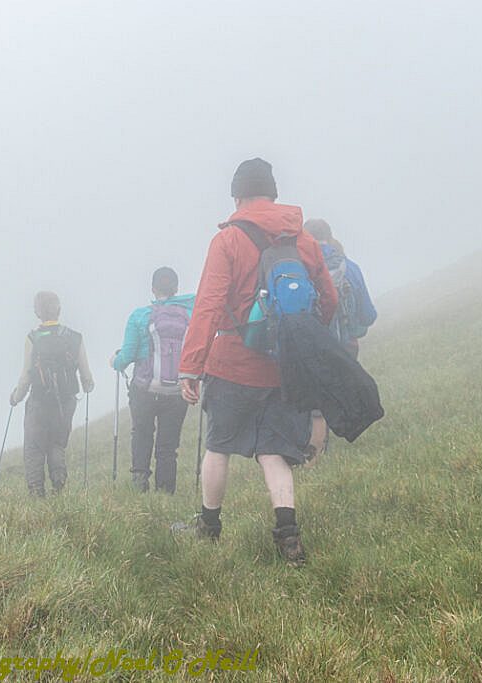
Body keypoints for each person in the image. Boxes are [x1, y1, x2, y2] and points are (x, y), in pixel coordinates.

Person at [173, 158, 337, 567]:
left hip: (232, 363)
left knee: (219, 445)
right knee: (275, 451)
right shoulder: (303, 240)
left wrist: (190, 365)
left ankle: (209, 527)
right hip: (283, 365)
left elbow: (208, 305)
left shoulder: (228, 240)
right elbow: (328, 299)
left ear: (237, 195)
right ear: (274, 194)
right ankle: (288, 537)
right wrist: (301, 343)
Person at [110, 267, 194, 493]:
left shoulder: (140, 316)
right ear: (176, 288)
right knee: (168, 446)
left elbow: (126, 356)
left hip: (144, 390)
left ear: (153, 288)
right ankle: (166, 491)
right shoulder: (191, 314)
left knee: (142, 433)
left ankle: (140, 484)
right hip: (177, 391)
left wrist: (114, 361)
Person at [10, 291, 95, 496]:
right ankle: (59, 486)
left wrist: (15, 397)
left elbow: (26, 376)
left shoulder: (33, 338)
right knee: (57, 443)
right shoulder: (74, 337)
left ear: (37, 312)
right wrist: (87, 386)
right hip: (66, 402)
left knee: (34, 447)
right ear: (59, 309)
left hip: (39, 401)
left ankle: (36, 492)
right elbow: (87, 379)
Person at [303, 219, 377, 360]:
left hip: (313, 349)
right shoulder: (350, 267)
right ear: (330, 237)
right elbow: (368, 316)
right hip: (347, 347)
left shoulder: (300, 268)